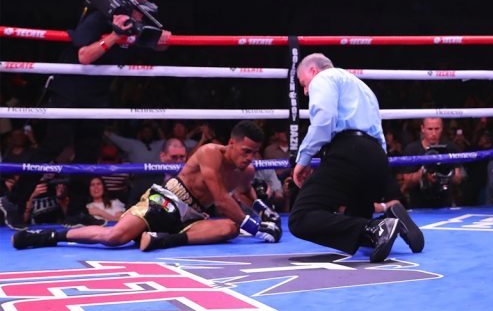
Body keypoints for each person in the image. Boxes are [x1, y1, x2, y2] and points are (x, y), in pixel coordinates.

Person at [0, 0, 171, 230]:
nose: (142, 12)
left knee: (88, 153)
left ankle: (76, 212)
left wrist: (163, 35)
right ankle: (14, 201)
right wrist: (114, 35)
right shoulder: (98, 18)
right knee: (53, 146)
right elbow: (84, 56)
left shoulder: (136, 25)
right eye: (139, 6)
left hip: (96, 96)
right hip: (69, 91)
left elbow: (160, 44)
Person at [11, 120, 282, 251]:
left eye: (254, 152)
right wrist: (257, 228)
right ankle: (49, 236)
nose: (249, 157)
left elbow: (245, 194)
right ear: (232, 143)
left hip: (194, 217)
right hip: (167, 201)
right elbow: (222, 199)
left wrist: (265, 212)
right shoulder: (210, 152)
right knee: (115, 238)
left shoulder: (247, 169)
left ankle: (162, 241)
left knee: (229, 227)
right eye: (246, 150)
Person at [288, 53, 424, 263]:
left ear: (313, 70)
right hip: (375, 156)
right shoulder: (362, 88)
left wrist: (303, 158)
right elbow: (379, 136)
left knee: (300, 218)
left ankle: (378, 227)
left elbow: (324, 119)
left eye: (304, 83)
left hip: (349, 152)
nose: (305, 90)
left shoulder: (324, 78)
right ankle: (388, 219)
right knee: (354, 222)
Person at [397, 117, 464, 208]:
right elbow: (407, 181)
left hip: (444, 203)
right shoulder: (412, 149)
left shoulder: (450, 148)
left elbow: (458, 178)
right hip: (419, 204)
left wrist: (444, 175)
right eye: (430, 129)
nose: (433, 133)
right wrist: (423, 173)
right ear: (423, 129)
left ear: (442, 129)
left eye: (437, 129)